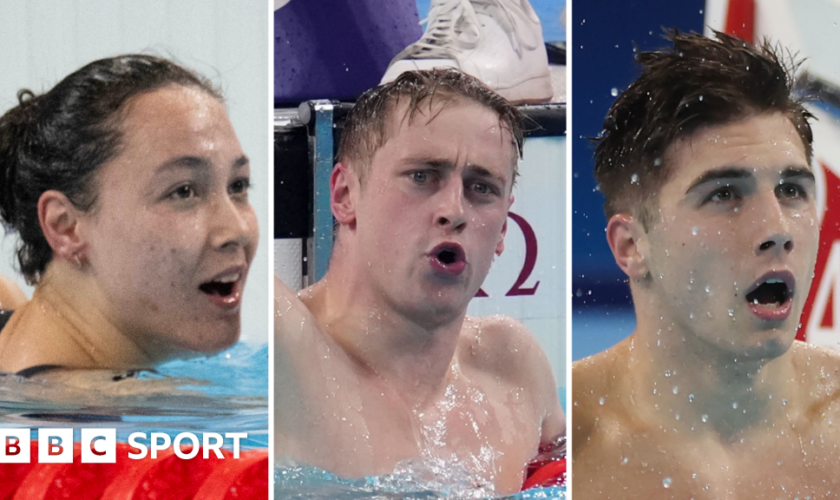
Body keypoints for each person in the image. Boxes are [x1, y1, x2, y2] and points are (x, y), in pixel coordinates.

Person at [573, 31, 840, 498]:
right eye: (724, 194)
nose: (777, 227)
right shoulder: (566, 443)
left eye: (792, 190)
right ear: (632, 246)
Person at [274, 68, 564, 495]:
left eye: (481, 188)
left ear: (503, 229)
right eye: (423, 176)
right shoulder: (289, 356)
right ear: (344, 196)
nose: (454, 210)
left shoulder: (514, 368)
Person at [0, 55, 259, 375]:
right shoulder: (110, 414)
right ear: (65, 227)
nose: (237, 230)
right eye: (183, 191)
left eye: (237, 185)